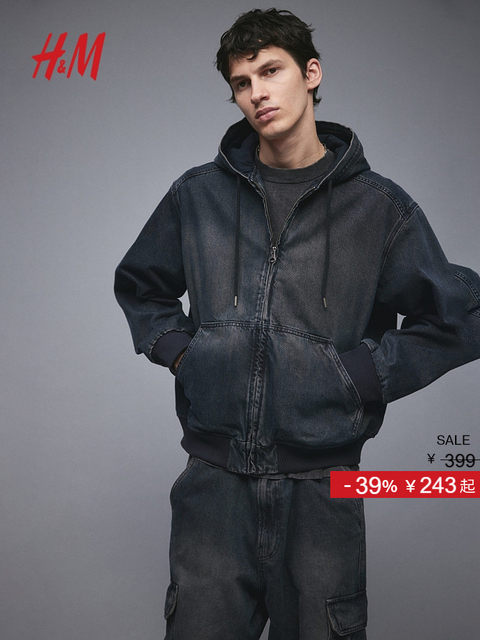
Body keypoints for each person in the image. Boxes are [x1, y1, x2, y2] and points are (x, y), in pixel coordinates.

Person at [113, 8, 480, 639]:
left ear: (311, 74)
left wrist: (362, 375)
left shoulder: (379, 209)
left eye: (270, 71)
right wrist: (186, 353)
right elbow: (140, 287)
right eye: (241, 82)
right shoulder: (197, 196)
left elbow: (464, 314)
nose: (256, 92)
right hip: (212, 489)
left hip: (322, 494)